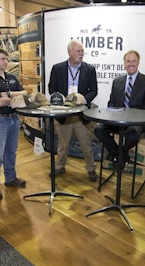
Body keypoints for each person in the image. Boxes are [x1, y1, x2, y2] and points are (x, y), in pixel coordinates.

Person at [94, 50, 145, 168]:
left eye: (133, 61)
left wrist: (132, 117)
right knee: (99, 130)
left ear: (138, 63)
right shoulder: (117, 81)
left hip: (136, 122)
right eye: (128, 61)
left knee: (132, 135)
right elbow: (111, 102)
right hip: (118, 120)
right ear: (124, 63)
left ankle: (119, 156)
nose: (131, 64)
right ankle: (120, 155)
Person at [48, 39, 98, 182]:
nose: (81, 53)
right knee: (63, 143)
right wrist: (62, 100)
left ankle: (91, 168)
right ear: (70, 52)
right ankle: (60, 166)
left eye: (82, 51)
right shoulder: (57, 68)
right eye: (78, 51)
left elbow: (94, 90)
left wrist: (83, 100)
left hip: (81, 114)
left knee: (86, 143)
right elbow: (52, 88)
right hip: (63, 113)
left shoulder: (90, 69)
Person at [0, 47, 27, 200]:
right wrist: (13, 97)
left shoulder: (11, 78)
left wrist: (7, 94)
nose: (6, 61)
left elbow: (24, 94)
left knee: (10, 153)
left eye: (7, 59)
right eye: (3, 59)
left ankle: (10, 178)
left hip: (13, 119)